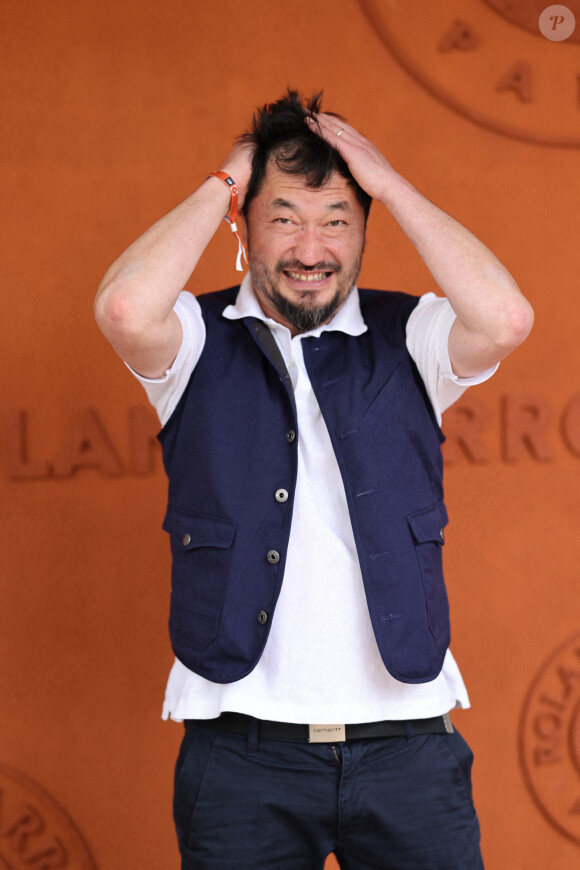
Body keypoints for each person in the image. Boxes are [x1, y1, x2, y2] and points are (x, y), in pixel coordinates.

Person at [94, 90, 533, 869]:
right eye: (285, 216)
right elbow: (125, 305)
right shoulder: (195, 338)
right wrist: (231, 175)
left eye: (337, 219)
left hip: (410, 750)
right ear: (244, 225)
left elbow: (504, 318)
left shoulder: (414, 335)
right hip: (241, 758)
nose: (311, 245)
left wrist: (390, 184)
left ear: (365, 230)